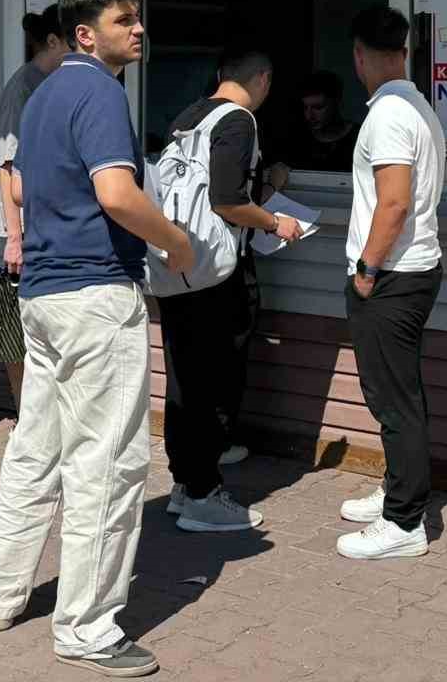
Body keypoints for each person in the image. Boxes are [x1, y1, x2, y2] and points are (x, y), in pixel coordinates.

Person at [0, 0, 195, 678]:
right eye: (123, 19)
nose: (138, 29)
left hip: (44, 296)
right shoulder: (99, 91)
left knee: (35, 450)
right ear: (84, 34)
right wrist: (177, 242)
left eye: (137, 17)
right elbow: (117, 193)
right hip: (95, 295)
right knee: (108, 463)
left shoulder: (43, 94)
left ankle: (1, 593)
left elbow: (17, 185)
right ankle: (87, 628)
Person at [160, 47, 301, 534]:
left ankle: (185, 483)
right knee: (215, 378)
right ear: (263, 79)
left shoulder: (188, 116)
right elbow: (227, 201)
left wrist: (266, 183)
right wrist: (275, 222)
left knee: (185, 377)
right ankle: (203, 493)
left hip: (180, 264)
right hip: (217, 274)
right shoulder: (239, 121)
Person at [335, 6, 446, 561]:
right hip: (412, 271)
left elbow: (395, 202)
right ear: (403, 51)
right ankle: (397, 491)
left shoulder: (388, 115)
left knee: (394, 401)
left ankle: (404, 523)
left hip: (392, 277)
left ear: (359, 56)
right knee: (400, 394)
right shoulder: (417, 106)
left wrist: (366, 270)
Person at [0, 6, 69, 408]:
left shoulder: (55, 84)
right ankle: (24, 414)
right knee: (19, 333)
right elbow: (7, 166)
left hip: (47, 225)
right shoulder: (24, 88)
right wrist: (15, 238)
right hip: (23, 231)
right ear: (52, 41)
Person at [290, 70, 360, 172]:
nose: (309, 116)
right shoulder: (299, 138)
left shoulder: (358, 136)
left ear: (336, 103)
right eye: (305, 108)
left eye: (318, 107)